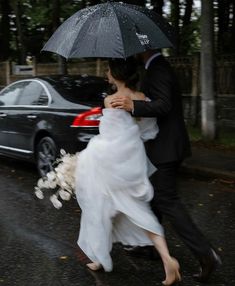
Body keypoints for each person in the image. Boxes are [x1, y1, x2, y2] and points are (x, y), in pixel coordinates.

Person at [110, 50, 221, 282]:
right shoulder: (156, 67)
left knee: (167, 200)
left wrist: (134, 106)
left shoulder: (158, 68)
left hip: (166, 147)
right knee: (152, 198)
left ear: (144, 48)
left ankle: (206, 254)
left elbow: (163, 106)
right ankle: (148, 247)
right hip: (165, 145)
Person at [75, 57, 181, 286]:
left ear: (115, 75)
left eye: (108, 70)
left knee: (100, 209)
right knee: (135, 211)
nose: (106, 73)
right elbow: (147, 132)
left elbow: (108, 135)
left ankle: (100, 257)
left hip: (109, 164)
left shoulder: (109, 100)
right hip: (132, 165)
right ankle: (165, 259)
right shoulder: (141, 99)